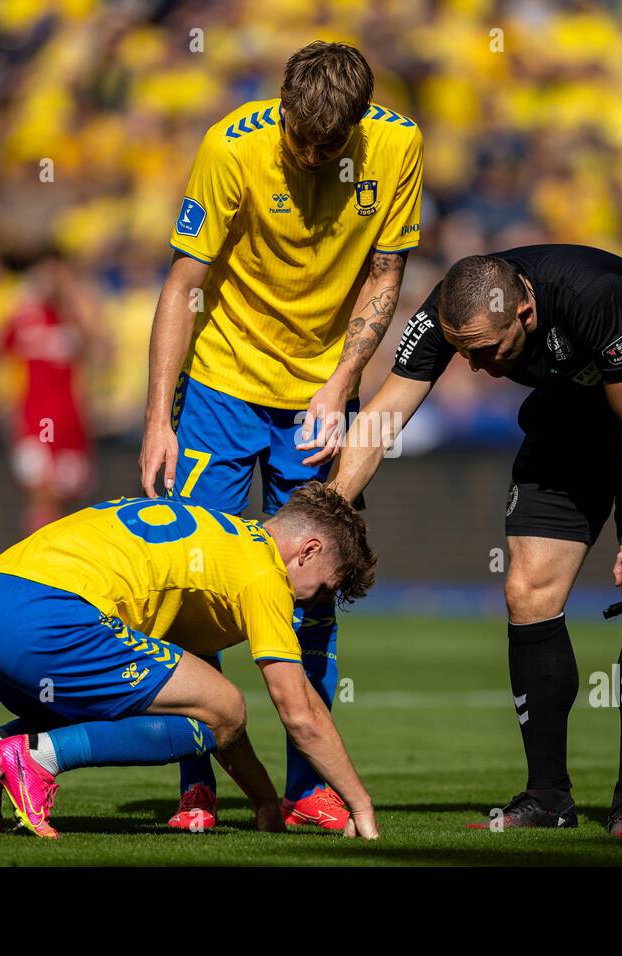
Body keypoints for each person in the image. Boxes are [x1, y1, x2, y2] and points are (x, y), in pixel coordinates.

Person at [331, 245, 622, 837]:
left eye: (489, 352)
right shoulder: (453, 308)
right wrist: (333, 511)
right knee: (527, 590)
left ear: (527, 310)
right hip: (568, 419)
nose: (478, 369)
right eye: (465, 355)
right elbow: (384, 414)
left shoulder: (595, 296)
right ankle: (547, 797)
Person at [138, 40, 423, 830]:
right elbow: (183, 282)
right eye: (298, 138)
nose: (306, 154)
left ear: (358, 127)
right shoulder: (232, 146)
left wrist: (339, 386)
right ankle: (195, 783)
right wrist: (160, 415)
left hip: (319, 400)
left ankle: (307, 790)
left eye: (324, 146)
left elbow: (386, 274)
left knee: (314, 598)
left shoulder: (398, 145)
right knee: (193, 594)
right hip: (221, 389)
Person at [0, 482, 379, 840]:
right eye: (323, 588)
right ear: (308, 549)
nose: (314, 601)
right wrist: (359, 802)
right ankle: (38, 756)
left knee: (181, 701)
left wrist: (263, 800)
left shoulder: (219, 534)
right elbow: (297, 713)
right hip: (48, 616)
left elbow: (210, 712)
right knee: (225, 706)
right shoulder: (265, 571)